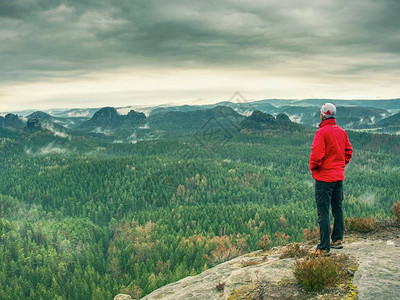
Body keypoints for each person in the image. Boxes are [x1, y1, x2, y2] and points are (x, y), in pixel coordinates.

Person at [309, 103, 353, 254]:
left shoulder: (321, 133)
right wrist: (340, 165)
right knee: (337, 208)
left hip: (324, 178)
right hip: (338, 177)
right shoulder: (342, 132)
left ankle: (323, 247)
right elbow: (348, 152)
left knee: (323, 212)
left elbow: (316, 156)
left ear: (322, 115)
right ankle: (337, 239)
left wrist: (315, 169)